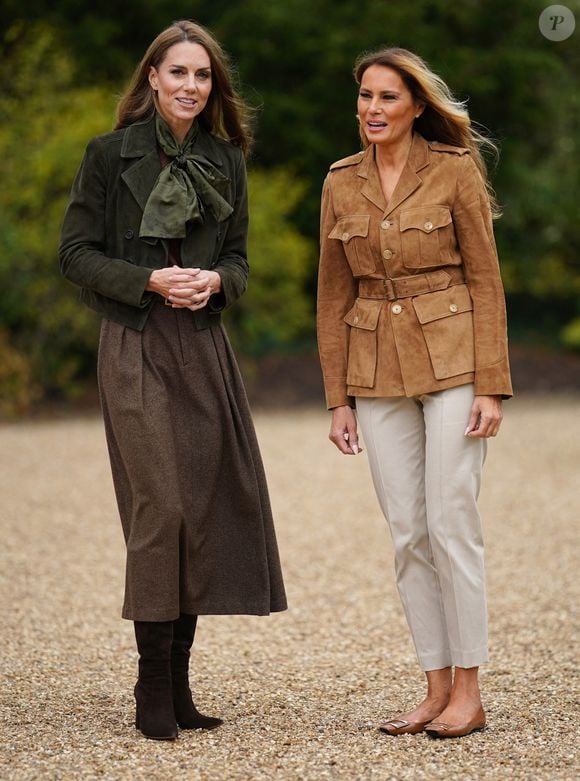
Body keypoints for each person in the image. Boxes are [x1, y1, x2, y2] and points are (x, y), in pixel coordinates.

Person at [59, 20, 287, 741]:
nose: (191, 85)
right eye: (178, 72)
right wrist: (147, 279)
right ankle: (150, 684)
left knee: (201, 505)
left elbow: (244, 259)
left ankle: (182, 682)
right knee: (161, 504)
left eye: (203, 76)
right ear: (152, 78)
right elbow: (75, 253)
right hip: (134, 342)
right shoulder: (107, 155)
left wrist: (216, 280)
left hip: (204, 346)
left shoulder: (227, 157)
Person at [317, 47, 512, 739]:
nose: (372, 109)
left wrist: (493, 383)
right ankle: (433, 687)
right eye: (365, 96)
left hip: (456, 360)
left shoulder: (454, 169)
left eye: (387, 98)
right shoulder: (340, 182)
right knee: (407, 532)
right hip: (375, 369)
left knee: (450, 519)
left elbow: (486, 279)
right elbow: (332, 292)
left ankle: (470, 689)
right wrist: (338, 397)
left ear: (417, 106)